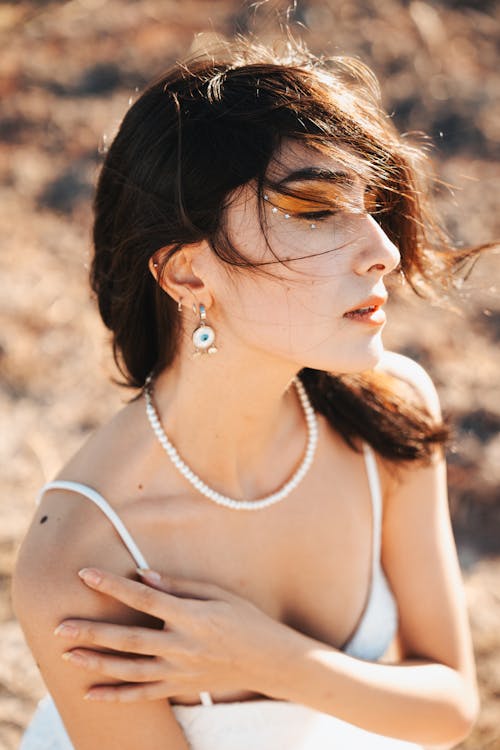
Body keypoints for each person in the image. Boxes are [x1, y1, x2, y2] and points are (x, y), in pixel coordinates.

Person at [12, 39, 481, 750]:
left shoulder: (388, 408)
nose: (381, 248)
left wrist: (269, 659)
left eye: (370, 205)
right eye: (316, 209)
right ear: (187, 276)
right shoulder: (82, 556)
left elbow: (449, 707)